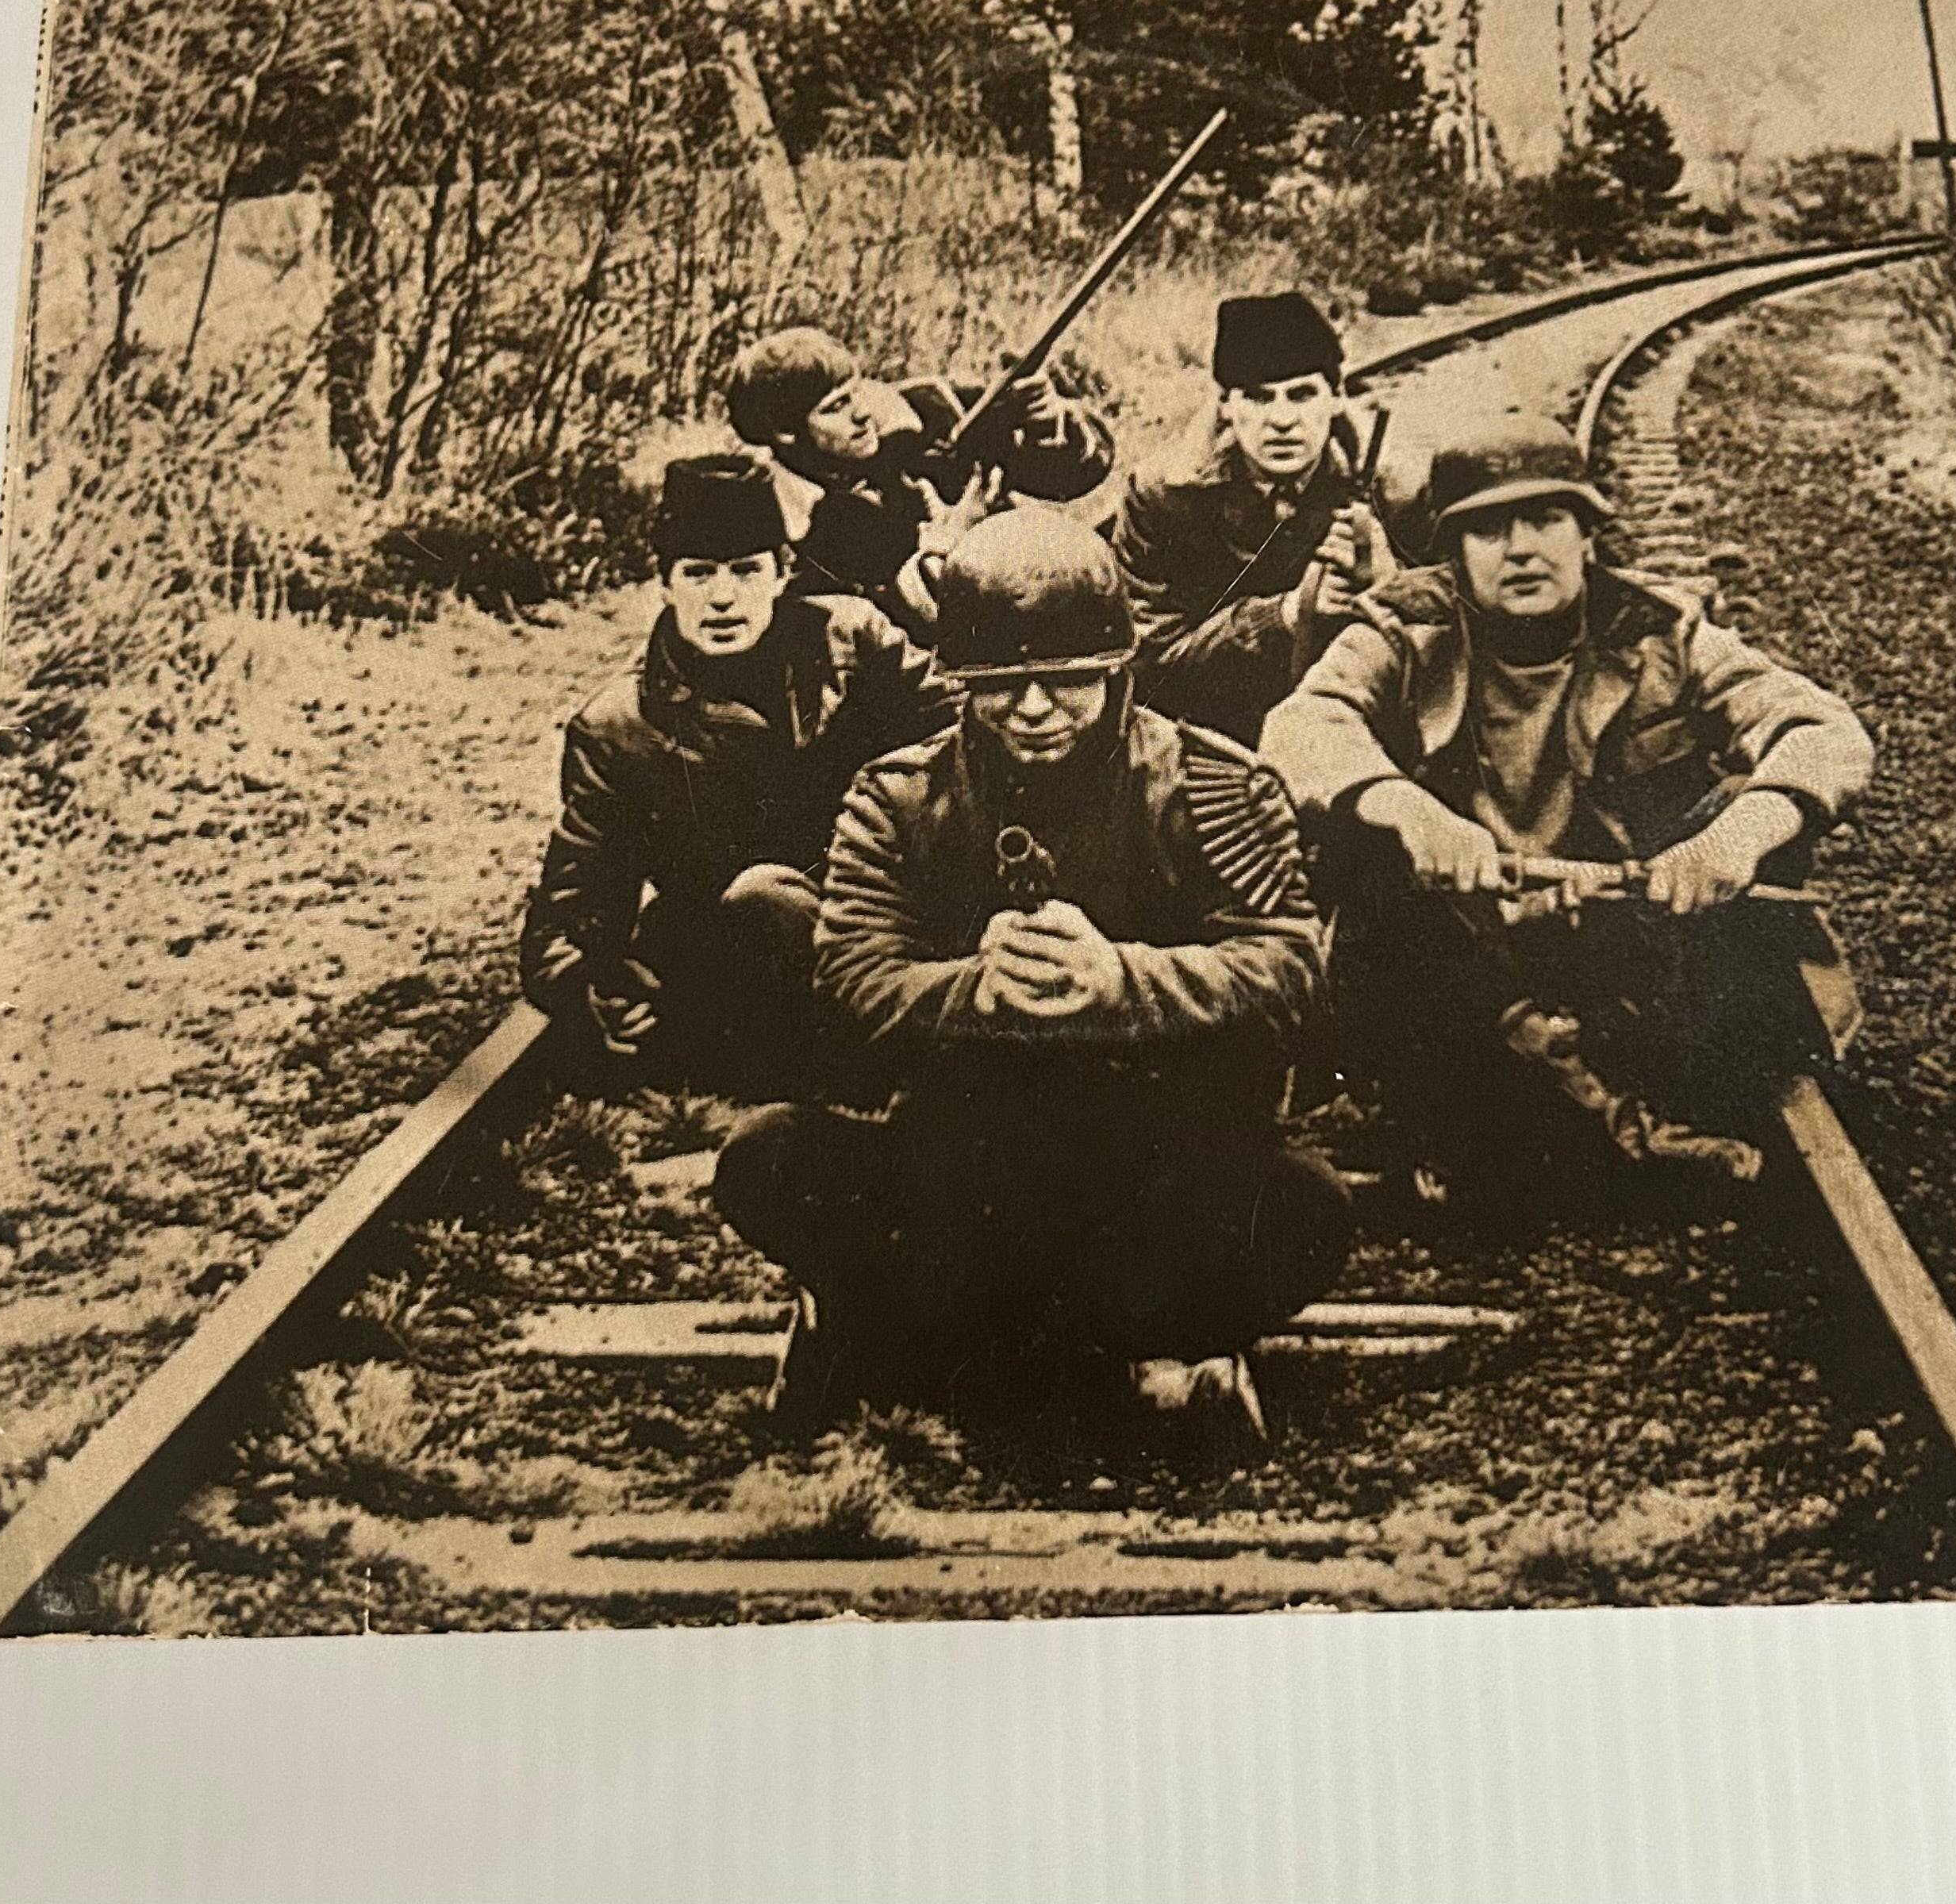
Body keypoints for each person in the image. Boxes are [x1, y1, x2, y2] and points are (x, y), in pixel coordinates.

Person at [713, 508, 1355, 1435]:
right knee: (768, 1157)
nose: (1034, 708)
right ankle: (1061, 1345)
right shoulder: (899, 798)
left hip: (1153, 1160)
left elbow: (1288, 964)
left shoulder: (1215, 785)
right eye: (1000, 685)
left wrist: (1121, 980)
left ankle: (1106, 1342)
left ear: (1118, 670)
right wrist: (978, 987)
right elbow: (851, 968)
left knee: (1304, 1206)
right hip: (960, 1160)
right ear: (961, 683)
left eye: (1067, 680)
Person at [1260, 410, 1874, 1211]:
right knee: (1365, 851)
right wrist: (1408, 809)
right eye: (1488, 530)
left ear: (1588, 535)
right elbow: (1301, 728)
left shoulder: (1662, 630)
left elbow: (1823, 729)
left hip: (1624, 934)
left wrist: (1740, 834)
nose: (1521, 549)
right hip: (1470, 945)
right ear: (1453, 553)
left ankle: (1593, 1097)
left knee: (1745, 817)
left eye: (1547, 519)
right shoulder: (1405, 627)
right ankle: (1545, 1113)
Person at [518, 447, 953, 1110]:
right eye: (698, 574)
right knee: (761, 902)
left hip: (884, 916)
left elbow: (963, 742)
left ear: (782, 573)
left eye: (747, 570)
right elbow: (570, 914)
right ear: (665, 584)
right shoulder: (618, 728)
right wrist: (588, 990)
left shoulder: (853, 640)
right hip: (738, 957)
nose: (722, 598)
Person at [1111, 290, 1405, 746]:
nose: (1282, 420)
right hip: (1210, 728)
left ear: (1337, 398)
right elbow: (1147, 660)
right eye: (1259, 398)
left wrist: (1390, 586)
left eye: (1302, 395)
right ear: (1226, 406)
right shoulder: (1164, 497)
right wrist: (1286, 615)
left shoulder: (1389, 485)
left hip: (1353, 714)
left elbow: (1456, 630)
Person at [725, 324, 1116, 637]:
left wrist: (1044, 418)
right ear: (786, 434)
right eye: (835, 408)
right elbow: (888, 625)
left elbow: (1073, 477)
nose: (862, 413)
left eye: (856, 391)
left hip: (1028, 588)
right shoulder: (781, 521)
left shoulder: (928, 411)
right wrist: (957, 539)